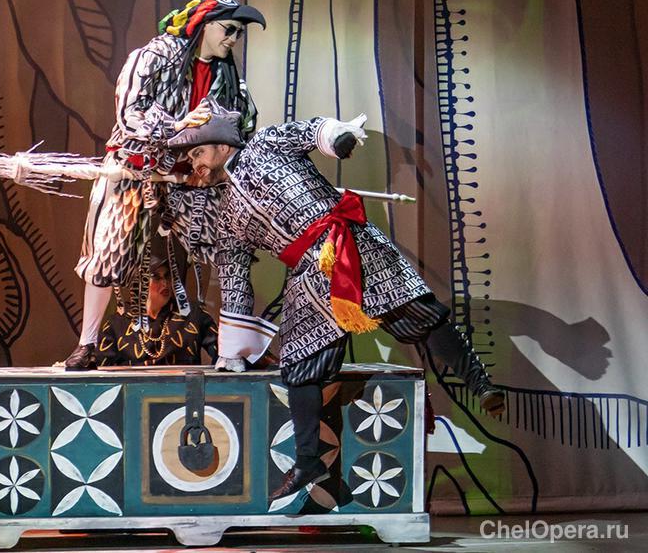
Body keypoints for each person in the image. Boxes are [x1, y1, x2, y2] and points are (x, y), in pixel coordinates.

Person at [168, 109, 507, 500]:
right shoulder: (228, 216)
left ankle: (480, 383)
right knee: (300, 365)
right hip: (310, 277)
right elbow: (233, 277)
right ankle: (307, 459)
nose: (194, 162)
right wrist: (231, 352)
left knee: (419, 313)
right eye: (190, 157)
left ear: (222, 143)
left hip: (350, 243)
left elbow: (312, 131)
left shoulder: (266, 144)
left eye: (198, 152)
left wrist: (338, 136)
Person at [64, 0, 266, 370]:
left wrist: (219, 153)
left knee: (226, 247)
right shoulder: (154, 57)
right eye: (229, 29)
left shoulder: (227, 78)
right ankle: (87, 344)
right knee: (108, 252)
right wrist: (179, 127)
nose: (233, 39)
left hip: (188, 176)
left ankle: (234, 348)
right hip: (134, 167)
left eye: (239, 33)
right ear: (203, 25)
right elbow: (130, 114)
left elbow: (246, 122)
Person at [94, 255, 217, 366]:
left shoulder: (191, 315)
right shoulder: (118, 324)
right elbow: (101, 373)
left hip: (182, 384)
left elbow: (223, 353)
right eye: (156, 277)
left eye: (167, 276)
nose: (165, 283)